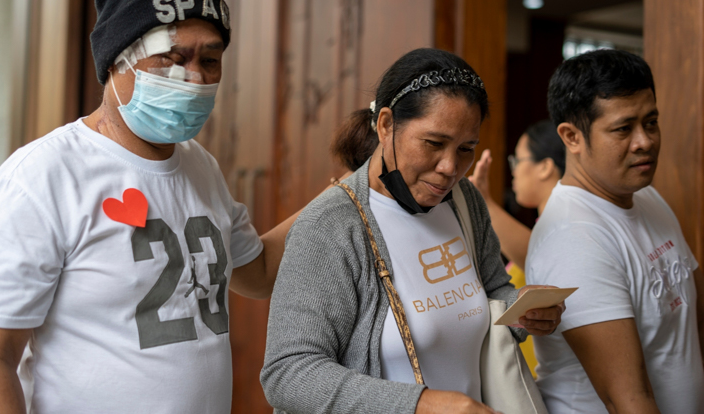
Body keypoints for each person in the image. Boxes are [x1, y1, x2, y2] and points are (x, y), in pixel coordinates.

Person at [0, 0, 298, 414]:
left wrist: (351, 191)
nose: (193, 76)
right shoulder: (42, 178)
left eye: (210, 59)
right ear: (118, 59)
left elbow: (256, 275)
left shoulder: (202, 168)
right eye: (171, 58)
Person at [261, 48, 563, 414]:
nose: (450, 168)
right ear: (386, 125)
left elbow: (492, 289)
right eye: (433, 144)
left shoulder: (464, 201)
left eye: (466, 148)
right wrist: (422, 405)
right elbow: (289, 373)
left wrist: (522, 310)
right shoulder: (330, 227)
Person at [525, 49, 704, 413]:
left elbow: (691, 325)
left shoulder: (647, 196)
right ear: (572, 137)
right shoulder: (574, 238)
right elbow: (627, 400)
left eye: (650, 122)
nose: (645, 141)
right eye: (624, 129)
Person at [468, 120, 565, 375]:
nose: (513, 172)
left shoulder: (562, 228)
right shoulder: (545, 226)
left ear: (545, 167)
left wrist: (483, 201)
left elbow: (535, 256)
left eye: (517, 161)